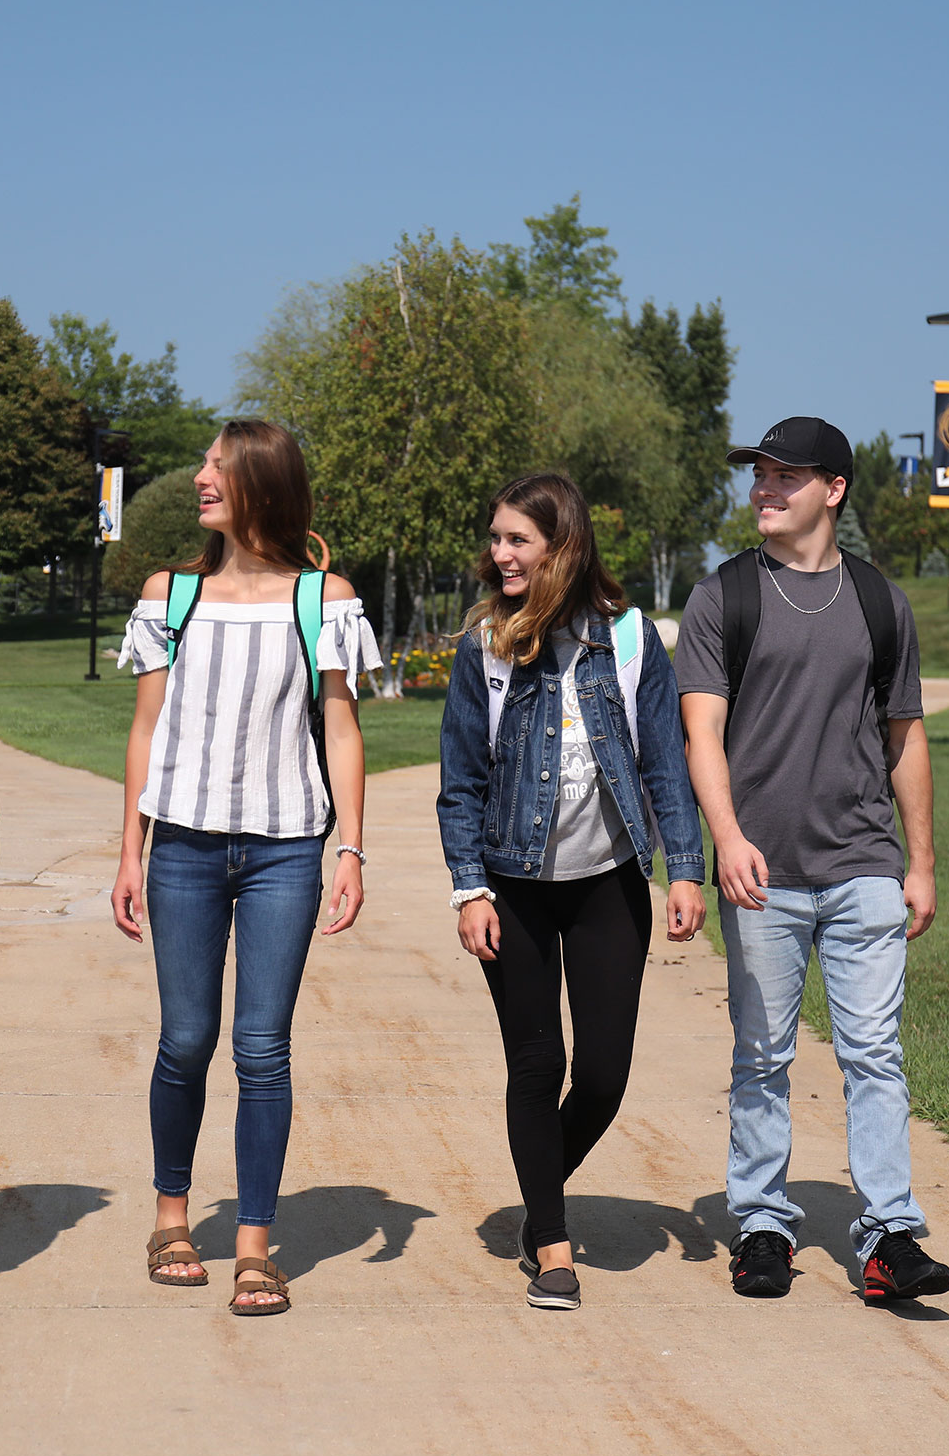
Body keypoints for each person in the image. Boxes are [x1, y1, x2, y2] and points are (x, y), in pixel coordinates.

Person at [674, 416, 949, 1305]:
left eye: (785, 476)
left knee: (874, 1051)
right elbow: (700, 733)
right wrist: (726, 836)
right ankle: (761, 1224)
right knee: (762, 1053)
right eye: (759, 474)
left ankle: (889, 1236)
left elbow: (904, 737)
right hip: (766, 873)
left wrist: (921, 861)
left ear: (832, 489)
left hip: (864, 861)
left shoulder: (880, 601)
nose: (764, 488)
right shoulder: (723, 598)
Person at [111, 419, 379, 1317]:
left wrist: (350, 844)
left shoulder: (323, 598)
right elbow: (145, 732)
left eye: (217, 466)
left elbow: (341, 727)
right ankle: (172, 1217)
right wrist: (128, 849)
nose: (199, 478)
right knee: (186, 1039)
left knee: (263, 1048)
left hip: (284, 849)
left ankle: (256, 1245)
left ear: (261, 481)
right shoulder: (171, 595)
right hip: (181, 845)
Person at [435, 472, 708, 1310]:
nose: (500, 552)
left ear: (564, 544)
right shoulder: (485, 646)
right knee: (535, 1061)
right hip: (512, 887)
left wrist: (685, 868)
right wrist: (468, 889)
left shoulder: (626, 641)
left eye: (518, 537)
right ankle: (551, 1244)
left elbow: (665, 759)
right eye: (497, 537)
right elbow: (461, 781)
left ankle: (538, 1183)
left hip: (607, 883)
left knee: (602, 1072)